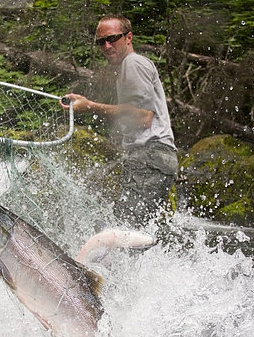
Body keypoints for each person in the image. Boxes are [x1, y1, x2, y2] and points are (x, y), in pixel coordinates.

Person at [60, 14, 178, 228]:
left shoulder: (133, 63)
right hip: (153, 158)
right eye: (101, 42)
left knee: (126, 230)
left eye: (112, 38)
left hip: (150, 156)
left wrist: (89, 106)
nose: (107, 46)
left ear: (128, 37)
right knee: (136, 230)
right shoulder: (130, 66)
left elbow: (142, 117)